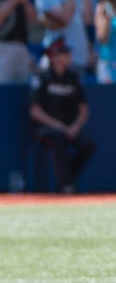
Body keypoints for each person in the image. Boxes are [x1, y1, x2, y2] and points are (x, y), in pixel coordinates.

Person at [29, 39, 96, 194]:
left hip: (70, 127)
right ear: (53, 57)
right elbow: (34, 111)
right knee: (59, 138)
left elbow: (84, 109)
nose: (67, 57)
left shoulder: (73, 78)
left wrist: (75, 127)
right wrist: (58, 126)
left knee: (88, 144)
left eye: (68, 53)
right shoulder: (42, 78)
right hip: (47, 128)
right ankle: (65, 186)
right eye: (63, 54)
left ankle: (68, 180)